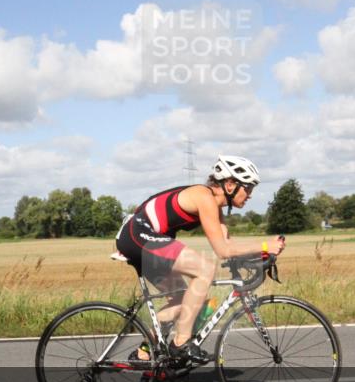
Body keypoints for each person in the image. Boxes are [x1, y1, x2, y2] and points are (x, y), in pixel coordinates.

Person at [115, 155, 286, 364]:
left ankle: (144, 354)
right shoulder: (204, 197)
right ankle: (181, 344)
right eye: (248, 188)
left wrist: (260, 255)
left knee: (182, 301)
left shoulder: (215, 206)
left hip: (144, 238)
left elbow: (228, 245)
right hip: (138, 235)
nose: (250, 195)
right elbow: (222, 251)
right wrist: (266, 245)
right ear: (230, 184)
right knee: (205, 269)